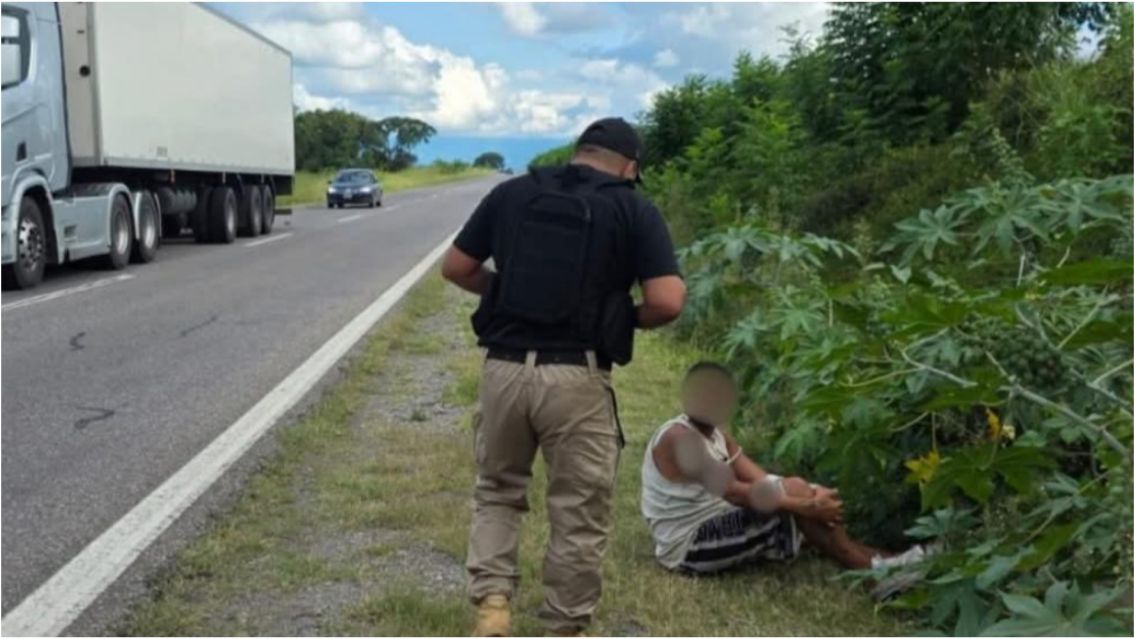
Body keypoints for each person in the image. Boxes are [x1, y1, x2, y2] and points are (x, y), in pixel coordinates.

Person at [441, 116, 687, 637]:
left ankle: (492, 607)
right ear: (630, 167)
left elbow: (457, 268)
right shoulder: (632, 207)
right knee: (577, 509)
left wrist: (506, 296)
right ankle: (563, 627)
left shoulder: (511, 193)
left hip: (503, 369)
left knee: (498, 491)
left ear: (579, 152)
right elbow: (668, 301)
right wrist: (621, 318)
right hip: (577, 376)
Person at [641, 361, 928, 591]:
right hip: (688, 545)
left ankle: (881, 563)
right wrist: (805, 506)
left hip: (715, 519)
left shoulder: (717, 436)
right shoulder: (679, 438)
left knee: (797, 489)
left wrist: (802, 495)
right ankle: (873, 572)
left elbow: (762, 479)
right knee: (795, 497)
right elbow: (733, 491)